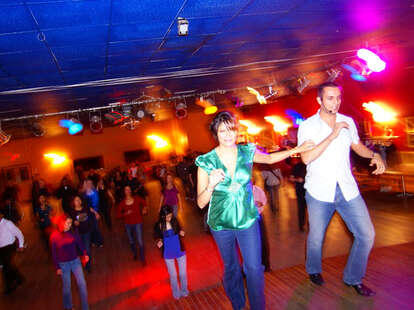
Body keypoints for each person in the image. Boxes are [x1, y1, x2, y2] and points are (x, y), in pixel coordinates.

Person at [196, 111, 314, 310]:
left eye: (231, 129)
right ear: (215, 133)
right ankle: (238, 304)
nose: (227, 134)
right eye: (222, 130)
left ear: (237, 130)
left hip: (247, 219)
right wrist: (211, 186)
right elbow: (200, 203)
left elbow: (269, 159)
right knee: (232, 268)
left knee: (254, 267)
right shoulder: (206, 162)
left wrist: (298, 148)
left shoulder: (246, 152)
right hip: (221, 223)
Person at [298, 82, 386, 296]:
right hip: (319, 192)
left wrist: (374, 155)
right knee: (316, 238)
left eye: (338, 97)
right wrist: (332, 135)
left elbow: (356, 145)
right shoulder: (308, 126)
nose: (335, 102)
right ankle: (314, 269)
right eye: (330, 98)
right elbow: (306, 157)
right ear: (319, 100)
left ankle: (353, 278)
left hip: (347, 189)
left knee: (367, 234)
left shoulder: (348, 121)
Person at [50, 215, 89, 310]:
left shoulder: (73, 233)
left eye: (70, 223)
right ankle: (68, 307)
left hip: (75, 262)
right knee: (67, 287)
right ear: (61, 222)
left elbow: (80, 244)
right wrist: (57, 267)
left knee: (82, 284)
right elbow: (54, 253)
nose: (69, 225)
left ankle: (85, 307)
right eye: (67, 222)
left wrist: (85, 254)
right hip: (63, 265)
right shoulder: (54, 236)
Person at [154, 205, 189, 300]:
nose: (169, 218)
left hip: (179, 250)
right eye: (167, 216)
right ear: (162, 216)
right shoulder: (158, 225)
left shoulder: (174, 221)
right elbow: (157, 236)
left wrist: (181, 232)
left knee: (182, 273)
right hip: (168, 253)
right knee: (173, 275)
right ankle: (176, 292)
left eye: (170, 215)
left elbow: (180, 230)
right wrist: (159, 241)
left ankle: (184, 290)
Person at [117, 185, 147, 263]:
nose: (127, 191)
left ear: (131, 191)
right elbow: (118, 215)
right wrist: (125, 213)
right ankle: (134, 253)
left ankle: (143, 259)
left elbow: (144, 202)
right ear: (124, 192)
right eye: (126, 189)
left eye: (129, 189)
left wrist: (144, 208)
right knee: (131, 240)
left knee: (140, 241)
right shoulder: (122, 203)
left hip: (138, 222)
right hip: (128, 224)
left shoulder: (137, 198)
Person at [68, 195, 97, 272]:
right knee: (80, 250)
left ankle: (88, 265)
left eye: (79, 200)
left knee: (87, 249)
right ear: (73, 202)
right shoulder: (72, 212)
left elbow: (91, 211)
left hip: (87, 231)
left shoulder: (85, 208)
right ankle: (83, 262)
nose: (78, 201)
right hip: (78, 233)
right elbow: (72, 222)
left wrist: (96, 213)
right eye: (76, 200)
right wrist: (75, 223)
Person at [0, 209, 25, 295]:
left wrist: (21, 245)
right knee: (7, 266)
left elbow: (18, 233)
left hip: (10, 246)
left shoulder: (7, 223)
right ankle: (19, 278)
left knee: (6, 268)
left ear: (1, 215)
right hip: (2, 248)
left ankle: (9, 287)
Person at [252, 177, 271, 272]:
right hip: (245, 220)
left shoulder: (258, 189)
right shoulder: (239, 190)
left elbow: (264, 200)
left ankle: (266, 265)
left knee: (262, 241)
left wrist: (260, 203)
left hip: (257, 217)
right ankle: (248, 268)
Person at [289, 156, 307, 231]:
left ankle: (311, 226)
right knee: (301, 209)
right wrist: (297, 179)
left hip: (310, 191)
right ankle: (301, 226)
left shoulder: (311, 165)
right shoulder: (296, 166)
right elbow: (290, 178)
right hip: (300, 191)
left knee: (311, 210)